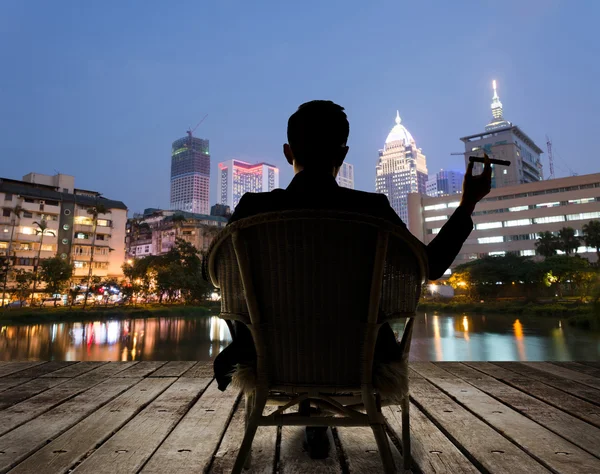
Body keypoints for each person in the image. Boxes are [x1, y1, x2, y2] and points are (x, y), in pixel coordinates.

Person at [212, 100, 492, 458]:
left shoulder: (252, 209)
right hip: (362, 360)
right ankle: (319, 417)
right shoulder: (371, 209)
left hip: (270, 359)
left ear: (288, 152)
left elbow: (217, 273)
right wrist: (467, 203)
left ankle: (310, 414)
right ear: (342, 154)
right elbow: (430, 265)